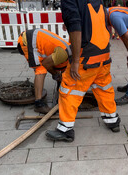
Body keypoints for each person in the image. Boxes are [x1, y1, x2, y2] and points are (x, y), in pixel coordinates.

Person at [45, 0, 121, 142]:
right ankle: (112, 121)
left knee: (69, 90)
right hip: (104, 55)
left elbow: (75, 28)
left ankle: (65, 130)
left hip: (85, 57)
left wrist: (75, 61)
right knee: (104, 88)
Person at [17, 28, 71, 114]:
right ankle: (39, 104)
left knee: (50, 69)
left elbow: (63, 73)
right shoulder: (64, 54)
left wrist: (59, 80)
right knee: (40, 70)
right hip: (28, 40)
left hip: (37, 40)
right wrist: (55, 75)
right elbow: (46, 64)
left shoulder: (69, 53)